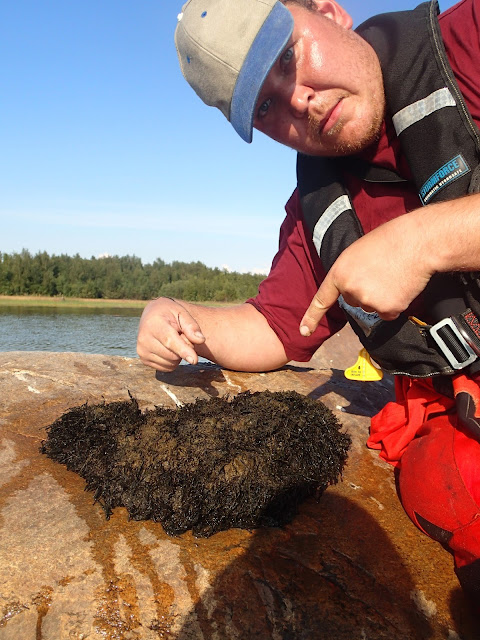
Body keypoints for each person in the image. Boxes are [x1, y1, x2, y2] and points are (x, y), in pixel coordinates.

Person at [137, 0, 480, 608]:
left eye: (287, 56)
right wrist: (180, 320)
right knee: (445, 484)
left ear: (329, 12)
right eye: (265, 106)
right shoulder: (318, 211)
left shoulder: (469, 41)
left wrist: (427, 240)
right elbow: (274, 327)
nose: (298, 100)